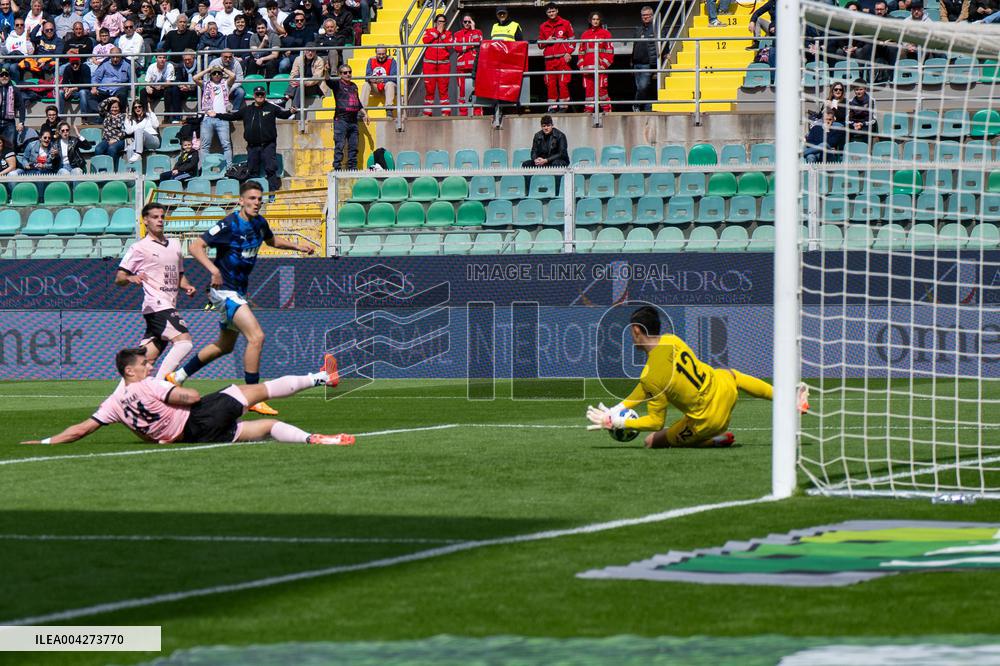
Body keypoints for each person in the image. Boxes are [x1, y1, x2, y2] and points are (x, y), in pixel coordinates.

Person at [168, 181, 316, 416]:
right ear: (241, 201)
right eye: (252, 199)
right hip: (224, 290)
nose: (257, 203)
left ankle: (177, 376)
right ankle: (252, 396)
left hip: (237, 291)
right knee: (256, 337)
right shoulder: (229, 224)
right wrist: (213, 270)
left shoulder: (259, 223)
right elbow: (196, 246)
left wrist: (298, 246)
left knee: (224, 346)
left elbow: (271, 241)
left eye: (259, 199)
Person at [22, 346, 354, 446]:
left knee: (265, 429)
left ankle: (315, 440)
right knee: (259, 390)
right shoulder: (148, 385)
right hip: (198, 416)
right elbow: (191, 397)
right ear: (129, 371)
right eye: (144, 364)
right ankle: (322, 376)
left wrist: (44, 443)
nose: (149, 366)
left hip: (191, 438)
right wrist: (179, 390)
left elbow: (81, 430)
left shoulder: (111, 405)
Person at [585, 307, 809, 449]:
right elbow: (645, 389)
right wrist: (617, 407)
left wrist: (620, 422)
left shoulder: (651, 375)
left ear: (636, 330)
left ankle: (715, 441)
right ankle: (790, 399)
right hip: (724, 391)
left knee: (651, 441)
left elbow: (655, 422)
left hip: (708, 421)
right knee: (729, 374)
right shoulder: (672, 340)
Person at [115, 203, 198, 380]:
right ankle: (159, 386)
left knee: (145, 360)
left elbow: (179, 275)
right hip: (157, 305)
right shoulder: (139, 247)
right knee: (184, 342)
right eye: (154, 217)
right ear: (145, 220)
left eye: (162, 217)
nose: (160, 220)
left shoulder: (175, 245)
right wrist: (130, 278)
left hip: (168, 304)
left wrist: (186, 286)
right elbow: (119, 277)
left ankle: (121, 398)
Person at [212, 85, 295, 191]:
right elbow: (232, 116)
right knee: (252, 170)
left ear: (265, 95)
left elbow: (283, 115)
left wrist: (290, 112)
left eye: (262, 94)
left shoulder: (271, 108)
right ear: (254, 96)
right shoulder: (246, 110)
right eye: (257, 94)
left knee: (270, 169)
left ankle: (272, 193)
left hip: (268, 145)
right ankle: (254, 192)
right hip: (252, 146)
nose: (260, 96)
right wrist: (216, 115)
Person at [194, 64, 236, 168]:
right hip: (207, 118)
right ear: (211, 75)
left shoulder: (225, 84)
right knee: (204, 147)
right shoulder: (205, 84)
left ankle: (229, 168)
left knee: (226, 146)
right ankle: (205, 169)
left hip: (222, 118)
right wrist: (208, 69)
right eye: (214, 73)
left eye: (218, 73)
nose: (216, 75)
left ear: (221, 74)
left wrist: (222, 68)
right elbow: (195, 78)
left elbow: (233, 76)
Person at [325, 63, 365, 170]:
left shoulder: (354, 86)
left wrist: (365, 113)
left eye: (349, 72)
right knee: (340, 146)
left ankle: (352, 168)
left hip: (353, 120)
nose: (348, 74)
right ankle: (337, 168)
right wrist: (326, 71)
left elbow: (358, 102)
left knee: (353, 147)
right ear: (340, 74)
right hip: (341, 120)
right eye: (345, 73)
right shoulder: (337, 85)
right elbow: (328, 80)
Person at [538, 2, 574, 113]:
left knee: (563, 82)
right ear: (546, 13)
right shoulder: (543, 26)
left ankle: (564, 106)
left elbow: (573, 41)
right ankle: (552, 107)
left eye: (553, 11)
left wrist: (569, 53)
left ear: (557, 11)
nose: (551, 13)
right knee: (550, 83)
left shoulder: (565, 23)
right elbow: (539, 45)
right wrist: (546, 41)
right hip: (549, 60)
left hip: (562, 59)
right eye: (549, 12)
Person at [577, 11, 613, 114]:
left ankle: (607, 110)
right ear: (590, 20)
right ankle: (588, 110)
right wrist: (581, 65)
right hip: (587, 69)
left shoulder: (606, 34)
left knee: (602, 91)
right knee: (589, 91)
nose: (595, 21)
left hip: (600, 68)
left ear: (600, 21)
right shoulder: (585, 34)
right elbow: (581, 52)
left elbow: (610, 52)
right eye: (593, 19)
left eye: (597, 19)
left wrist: (603, 65)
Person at [421, 14, 452, 116]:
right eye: (439, 21)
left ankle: (446, 112)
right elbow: (425, 40)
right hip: (429, 64)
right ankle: (427, 113)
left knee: (443, 89)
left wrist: (442, 35)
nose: (441, 23)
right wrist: (436, 32)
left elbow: (450, 45)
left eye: (443, 22)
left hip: (444, 65)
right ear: (435, 22)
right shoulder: (429, 31)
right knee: (429, 89)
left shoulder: (448, 33)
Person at [451, 14, 481, 116]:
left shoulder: (477, 32)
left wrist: (473, 30)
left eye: (469, 21)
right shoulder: (457, 34)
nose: (467, 24)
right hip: (461, 67)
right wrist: (471, 45)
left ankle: (477, 113)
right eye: (465, 22)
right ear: (462, 22)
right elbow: (456, 48)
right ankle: (463, 114)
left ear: (472, 22)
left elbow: (479, 45)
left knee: (477, 90)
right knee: (462, 93)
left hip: (474, 67)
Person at [88, 46, 130, 117]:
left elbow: (133, 81)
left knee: (122, 95)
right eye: (113, 57)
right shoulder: (105, 64)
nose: (115, 59)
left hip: (118, 89)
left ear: (121, 56)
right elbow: (96, 77)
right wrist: (94, 87)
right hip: (104, 89)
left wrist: (127, 87)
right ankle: (103, 113)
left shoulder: (127, 65)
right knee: (90, 96)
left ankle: (120, 117)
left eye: (117, 57)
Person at [631, 6, 657, 111]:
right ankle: (647, 108)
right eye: (643, 15)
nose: (645, 17)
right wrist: (631, 61)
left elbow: (663, 43)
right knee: (641, 88)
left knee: (643, 87)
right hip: (636, 64)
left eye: (647, 15)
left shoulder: (656, 29)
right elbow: (634, 46)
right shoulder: (638, 30)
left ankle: (636, 105)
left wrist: (666, 54)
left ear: (652, 16)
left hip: (647, 64)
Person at [359, 44, 397, 114]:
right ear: (376, 53)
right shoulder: (371, 60)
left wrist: (383, 80)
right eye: (379, 54)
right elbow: (367, 76)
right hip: (375, 86)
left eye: (383, 54)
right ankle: (362, 110)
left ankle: (389, 108)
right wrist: (371, 79)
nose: (381, 56)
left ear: (386, 53)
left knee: (390, 84)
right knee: (366, 84)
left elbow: (394, 77)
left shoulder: (392, 61)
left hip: (387, 88)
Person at [0, 69, 24, 148]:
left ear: (9, 77)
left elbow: (21, 106)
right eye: (2, 75)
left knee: (10, 146)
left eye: (6, 75)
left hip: (9, 123)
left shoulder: (15, 90)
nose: (4, 77)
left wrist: (21, 122)